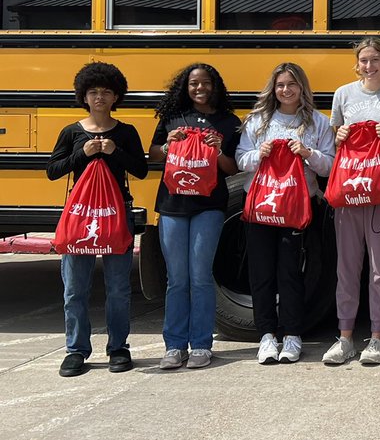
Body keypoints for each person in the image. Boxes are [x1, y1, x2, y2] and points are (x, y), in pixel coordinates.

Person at [47, 62, 148, 377]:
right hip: (80, 217)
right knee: (75, 288)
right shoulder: (71, 132)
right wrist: (83, 154)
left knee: (118, 287)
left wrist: (115, 151)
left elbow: (141, 171)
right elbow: (53, 171)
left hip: (117, 214)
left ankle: (118, 347)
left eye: (106, 91)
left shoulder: (126, 132)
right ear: (84, 96)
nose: (100, 97)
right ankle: (76, 350)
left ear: (116, 96)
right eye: (93, 92)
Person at [322, 38, 380, 367]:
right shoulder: (343, 94)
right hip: (348, 189)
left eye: (375, 59)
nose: (369, 65)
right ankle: (345, 337)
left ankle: (377, 337)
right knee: (346, 267)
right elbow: (333, 141)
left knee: (379, 270)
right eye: (363, 60)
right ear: (356, 63)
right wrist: (341, 136)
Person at [236, 63, 335, 365]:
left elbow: (330, 166)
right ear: (273, 88)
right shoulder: (258, 121)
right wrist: (260, 154)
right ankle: (266, 335)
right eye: (280, 85)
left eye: (292, 84)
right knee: (262, 272)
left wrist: (308, 154)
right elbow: (241, 160)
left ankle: (292, 334)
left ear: (302, 87)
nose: (286, 90)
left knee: (291, 273)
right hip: (262, 208)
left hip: (297, 207)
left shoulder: (318, 122)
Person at [148, 64, 240, 370]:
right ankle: (174, 346)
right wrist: (167, 142)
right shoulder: (173, 117)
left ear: (215, 85)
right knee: (177, 279)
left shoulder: (228, 122)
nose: (199, 88)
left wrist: (218, 151)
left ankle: (201, 344)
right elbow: (153, 155)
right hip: (173, 205)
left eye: (205, 83)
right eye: (193, 83)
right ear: (185, 87)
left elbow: (232, 168)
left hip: (209, 207)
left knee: (200, 277)